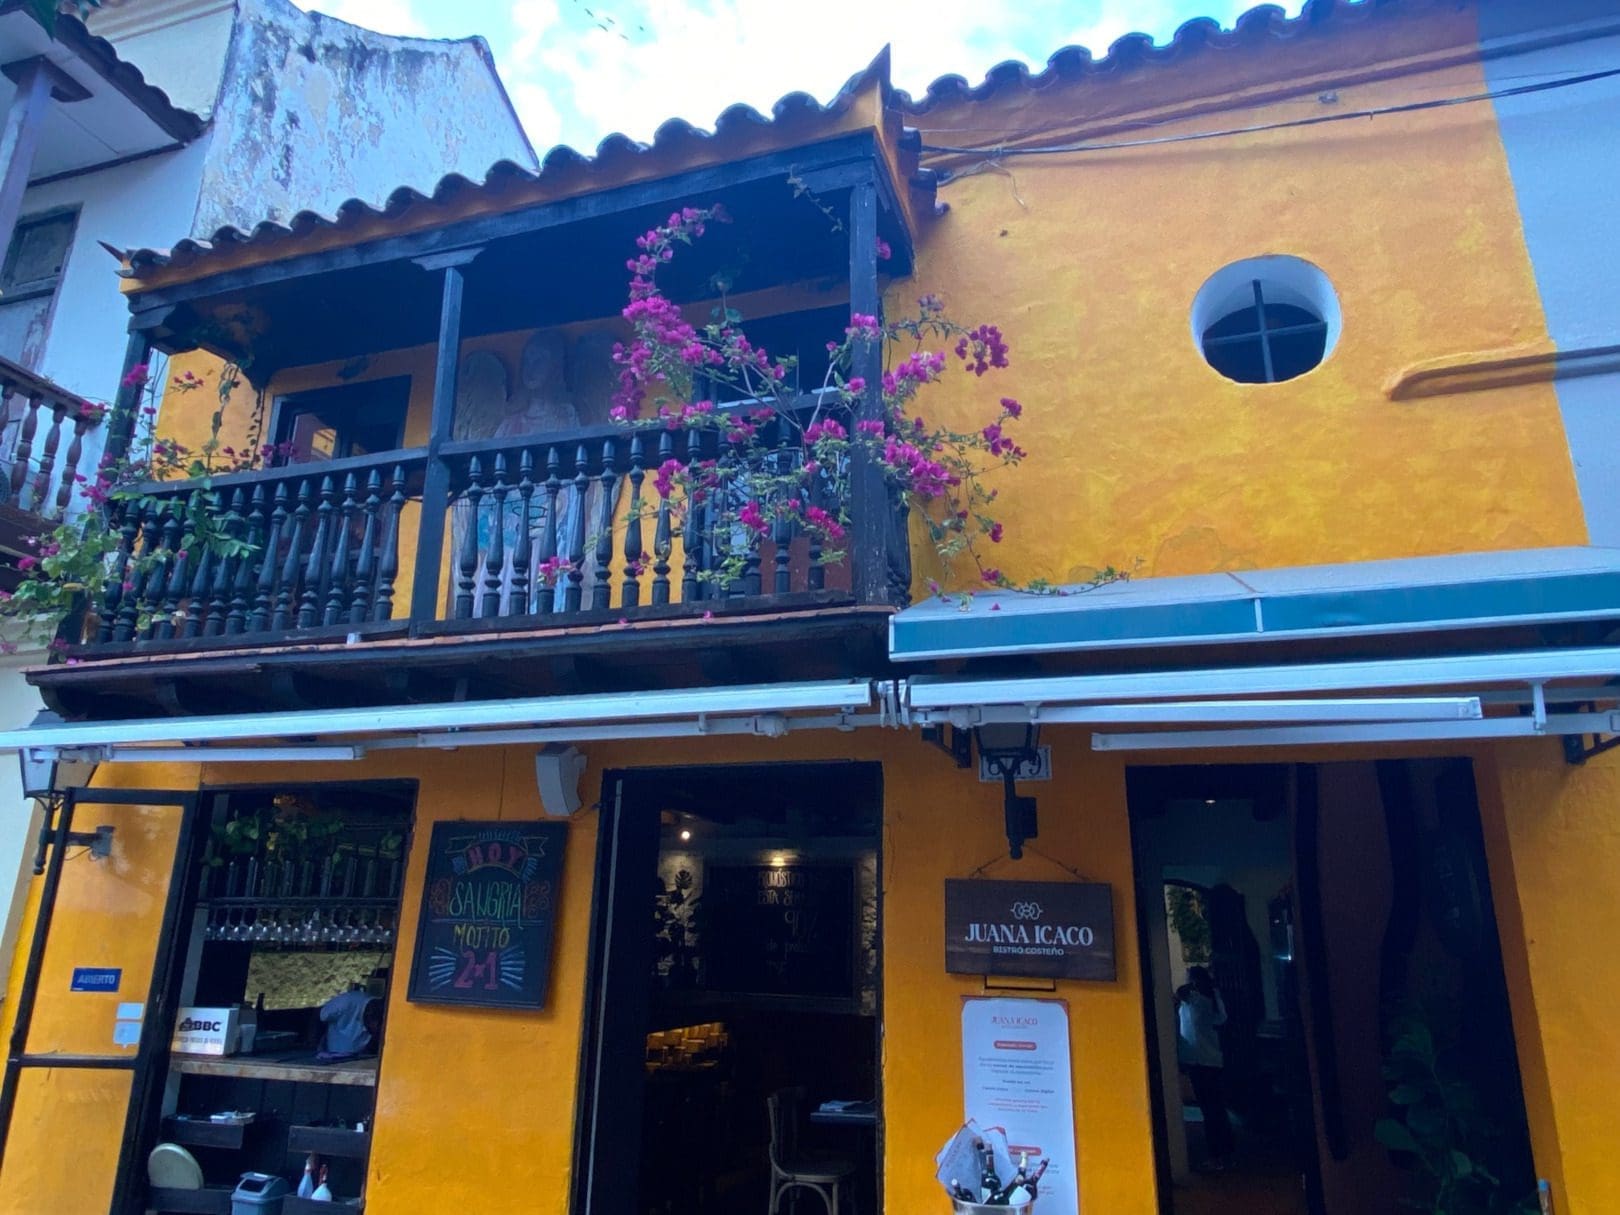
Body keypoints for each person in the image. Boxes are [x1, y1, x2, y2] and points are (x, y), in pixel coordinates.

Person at [1176, 965, 1235, 1170]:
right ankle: (1225, 1153)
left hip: (1198, 1061)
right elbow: (1222, 1019)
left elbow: (1179, 996)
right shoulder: (1212, 1000)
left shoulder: (1192, 1001)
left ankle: (1217, 1155)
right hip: (1212, 1060)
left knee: (1210, 1110)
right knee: (1216, 1109)